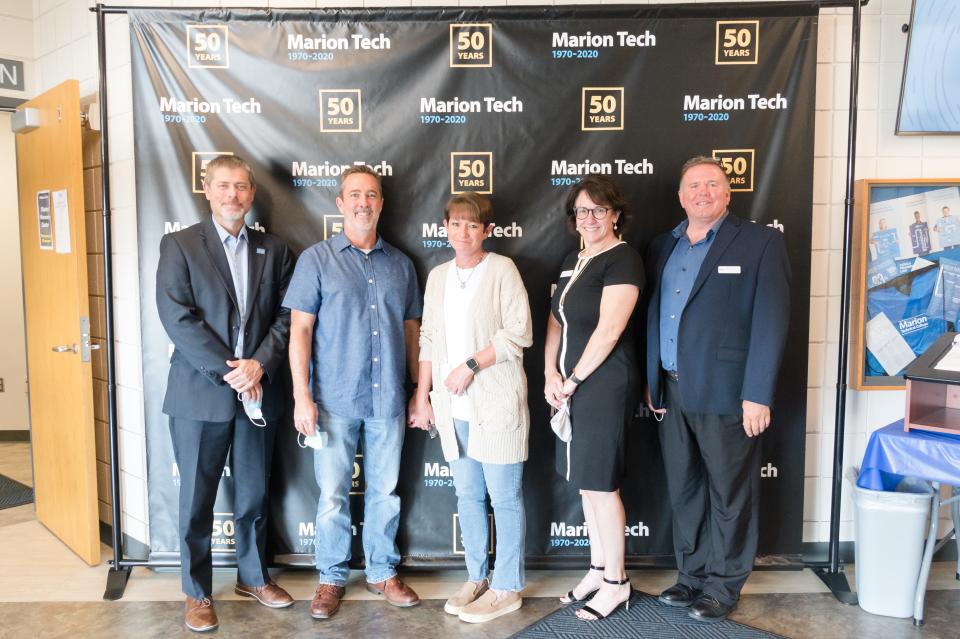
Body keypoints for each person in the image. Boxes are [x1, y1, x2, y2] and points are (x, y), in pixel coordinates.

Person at [644, 155, 790, 622]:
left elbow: (771, 321)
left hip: (731, 394)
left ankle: (724, 586)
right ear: (681, 196)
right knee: (685, 491)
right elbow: (652, 317)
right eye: (693, 185)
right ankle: (691, 578)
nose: (702, 192)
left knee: (731, 493)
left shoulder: (760, 242)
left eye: (712, 184)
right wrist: (652, 383)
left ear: (728, 194)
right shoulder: (661, 246)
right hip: (672, 390)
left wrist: (758, 393)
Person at [156, 154, 295, 632]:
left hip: (259, 391)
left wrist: (260, 364)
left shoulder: (274, 250)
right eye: (223, 186)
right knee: (197, 497)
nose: (232, 195)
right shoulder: (179, 245)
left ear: (251, 194)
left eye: (240, 187)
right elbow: (177, 317)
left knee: (254, 493)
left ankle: (253, 578)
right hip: (200, 394)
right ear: (207, 189)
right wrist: (230, 371)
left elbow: (286, 316)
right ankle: (196, 591)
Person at [284, 165, 423, 620]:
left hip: (387, 401)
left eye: (372, 194)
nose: (364, 202)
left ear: (381, 203)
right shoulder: (316, 260)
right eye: (354, 195)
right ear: (341, 204)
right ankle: (331, 578)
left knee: (386, 492)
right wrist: (302, 397)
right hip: (333, 401)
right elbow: (300, 332)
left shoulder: (401, 265)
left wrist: (419, 390)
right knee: (332, 496)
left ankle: (382, 571)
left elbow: (411, 332)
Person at [409, 193, 533, 623]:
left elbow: (520, 333)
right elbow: (428, 339)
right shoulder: (439, 276)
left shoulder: (502, 269)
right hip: (451, 408)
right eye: (456, 224)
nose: (464, 232)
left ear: (487, 231)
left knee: (504, 497)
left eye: (473, 225)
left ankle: (507, 586)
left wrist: (470, 365)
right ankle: (477, 576)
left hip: (495, 402)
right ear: (445, 228)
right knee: (468, 495)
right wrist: (422, 395)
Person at [544, 175, 644, 622]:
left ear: (616, 215)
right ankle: (597, 569)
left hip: (603, 384)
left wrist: (573, 379)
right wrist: (551, 372)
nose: (589, 218)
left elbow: (610, 330)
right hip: (570, 384)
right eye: (582, 211)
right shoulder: (574, 259)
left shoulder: (623, 259)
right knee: (587, 484)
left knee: (602, 486)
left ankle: (617, 583)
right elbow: (555, 324)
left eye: (599, 210)